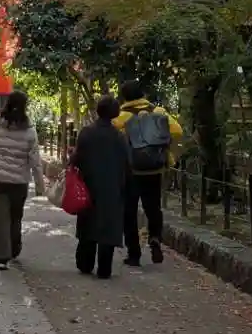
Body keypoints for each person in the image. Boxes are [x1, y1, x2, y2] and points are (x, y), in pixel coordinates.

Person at [115, 80, 182, 265]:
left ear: (124, 97)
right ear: (143, 94)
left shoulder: (120, 118)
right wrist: (165, 150)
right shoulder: (158, 112)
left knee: (129, 211)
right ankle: (155, 238)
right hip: (154, 169)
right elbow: (177, 131)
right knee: (153, 208)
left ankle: (134, 253)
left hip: (130, 171)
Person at [70, 97, 130, 278]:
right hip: (112, 187)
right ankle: (105, 267)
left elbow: (76, 158)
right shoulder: (119, 137)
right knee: (108, 226)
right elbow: (127, 163)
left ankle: (85, 262)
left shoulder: (87, 133)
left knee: (88, 223)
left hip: (89, 184)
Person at [0, 91, 46, 268]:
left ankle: (2, 258)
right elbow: (35, 160)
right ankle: (14, 247)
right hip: (19, 181)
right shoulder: (29, 130)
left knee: (0, 219)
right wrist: (40, 186)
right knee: (15, 216)